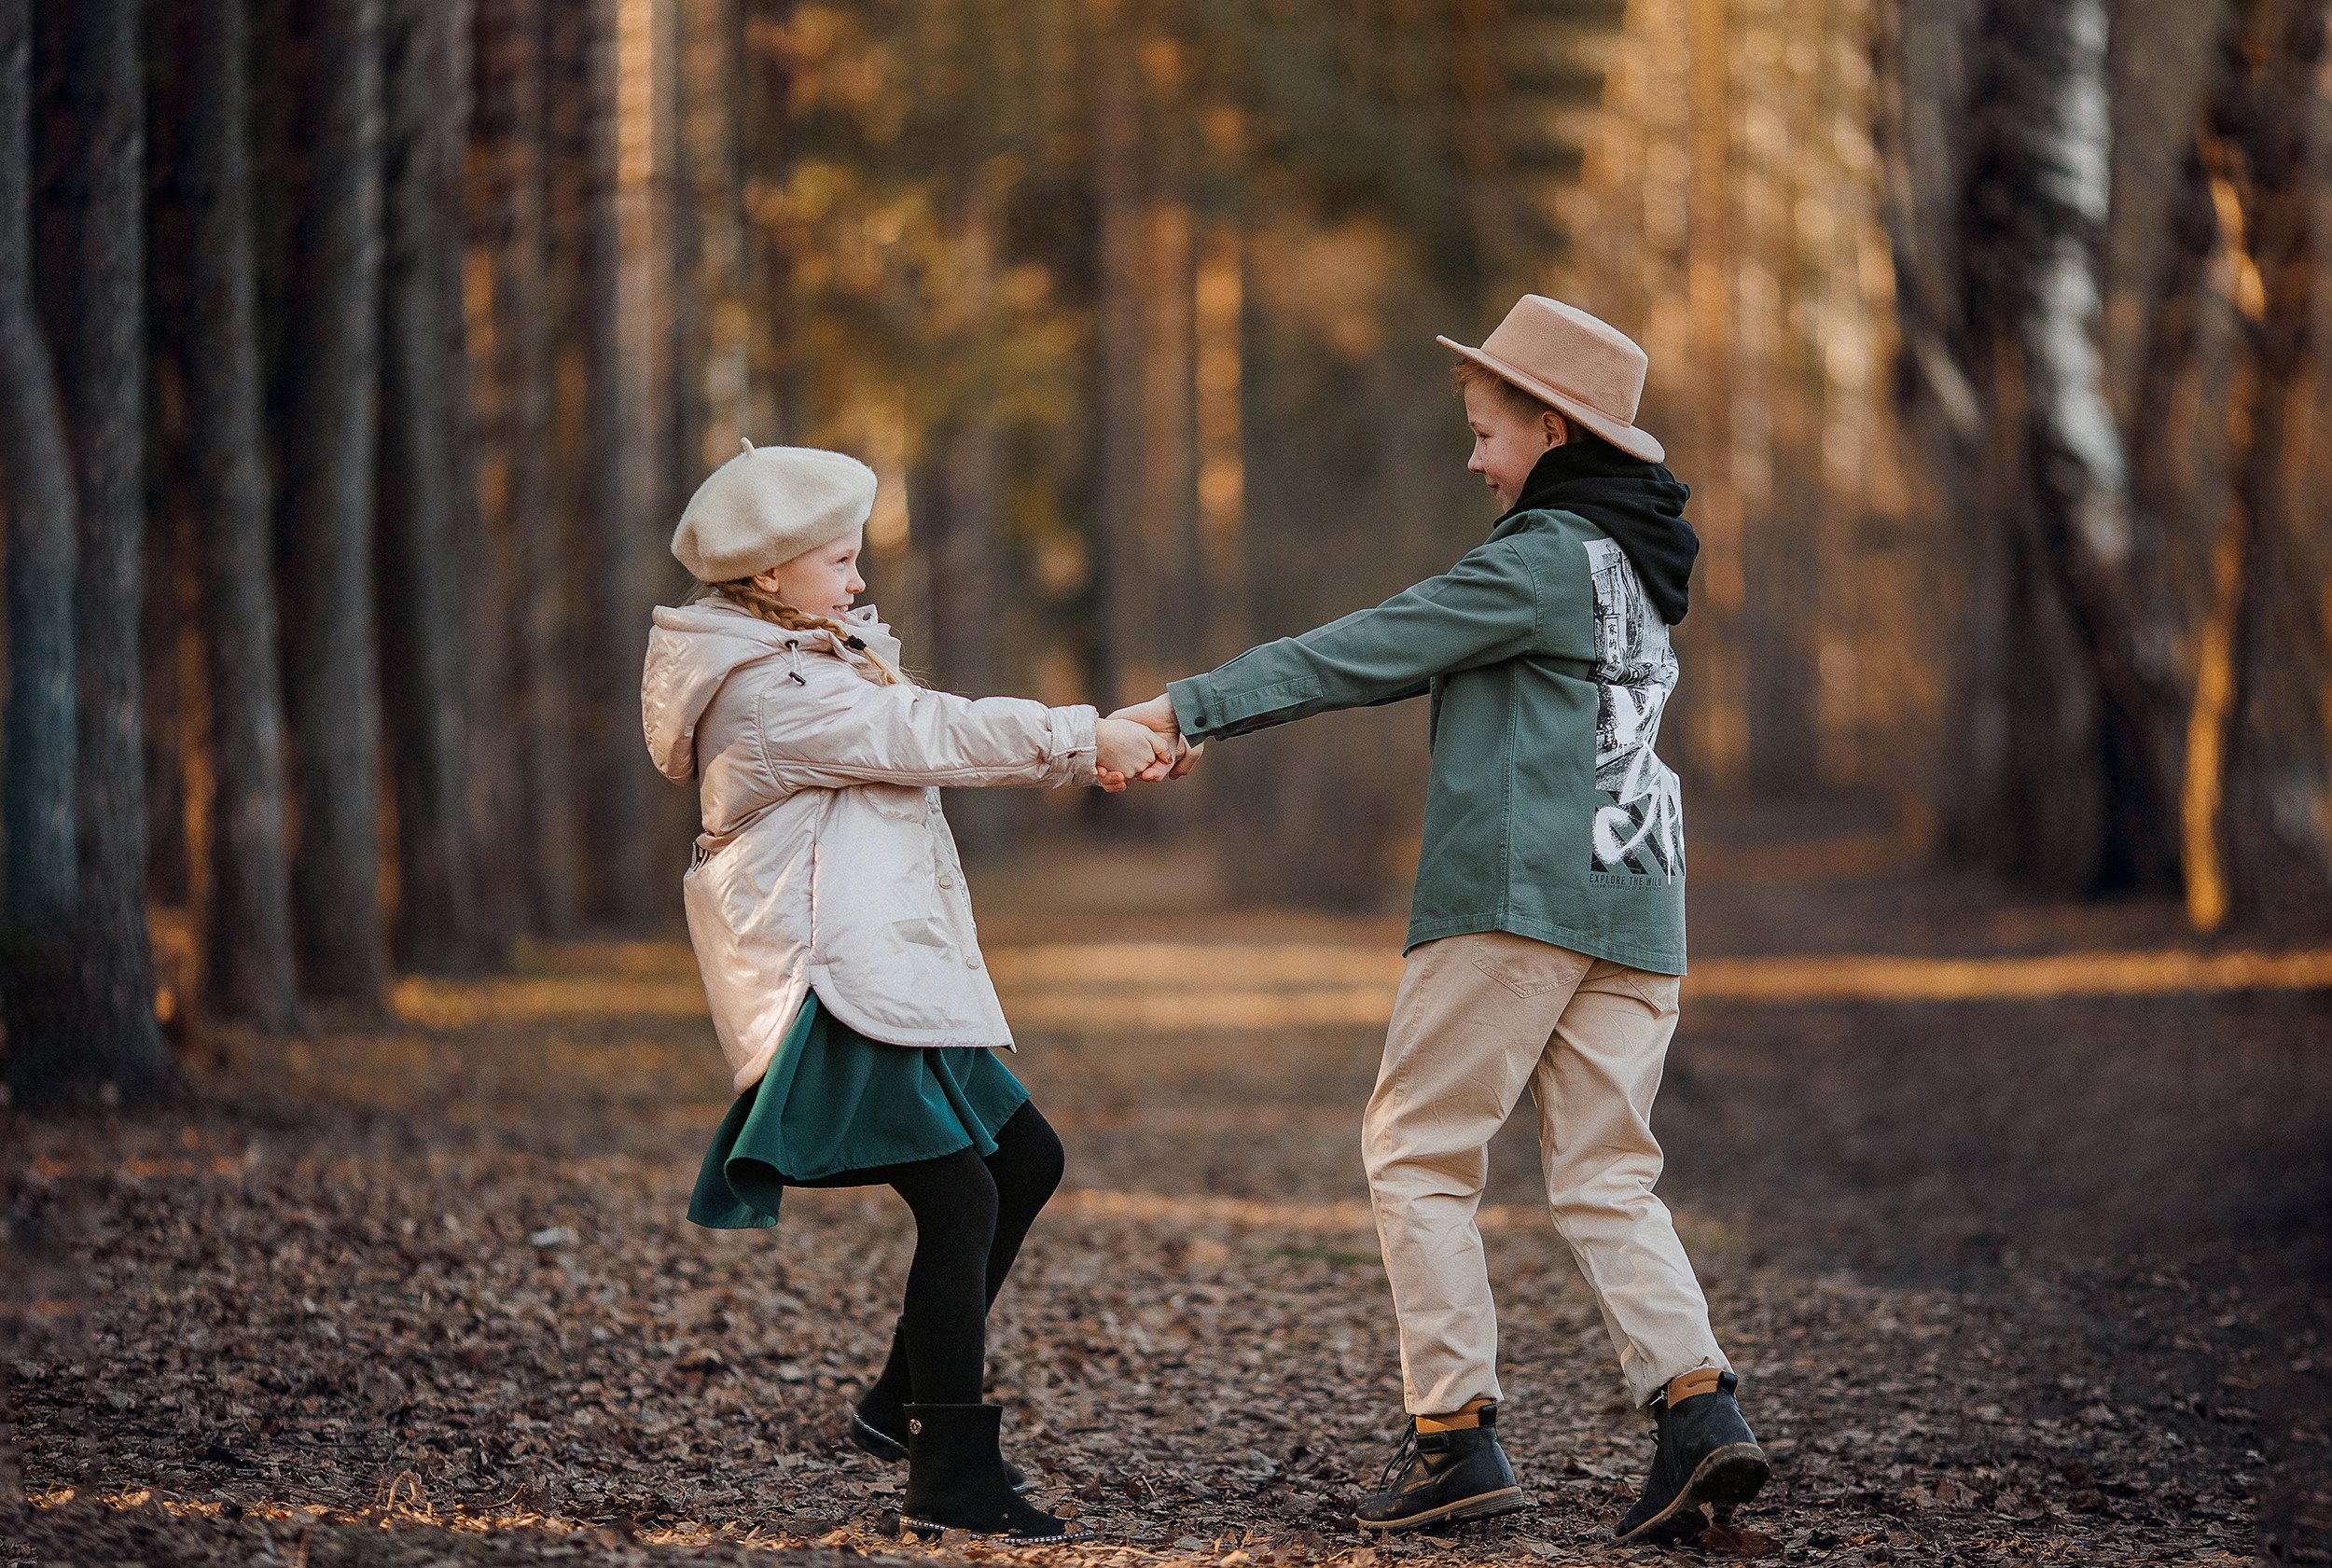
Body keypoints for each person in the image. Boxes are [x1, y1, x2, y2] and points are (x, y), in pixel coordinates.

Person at [1114, 297, 1770, 1546]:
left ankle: (1452, 1437)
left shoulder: (1540, 558)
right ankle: (1698, 1410)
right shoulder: (1633, 568)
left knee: (1417, 1150)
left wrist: (1183, 708)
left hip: (1519, 901)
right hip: (1639, 905)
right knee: (1606, 1173)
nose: (1475, 460)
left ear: (1556, 428)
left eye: (1488, 434)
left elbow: (1366, 647)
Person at [641, 439, 1173, 1545]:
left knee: (1022, 1160)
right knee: (960, 1197)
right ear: (772, 575)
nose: (859, 580)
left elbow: (914, 726)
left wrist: (1095, 744)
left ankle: (897, 1407)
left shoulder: (817, 660)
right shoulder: (775, 691)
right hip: (831, 985)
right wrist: (1087, 737)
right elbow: (929, 731)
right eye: (840, 560)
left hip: (882, 972)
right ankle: (950, 1473)